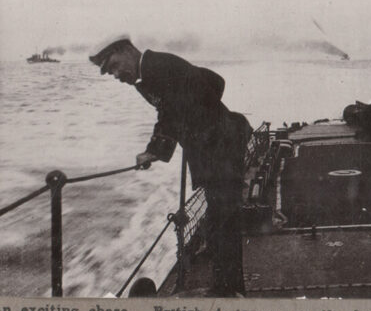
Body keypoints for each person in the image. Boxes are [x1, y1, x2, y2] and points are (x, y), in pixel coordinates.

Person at [89, 37, 251, 296]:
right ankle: (228, 289)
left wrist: (155, 150)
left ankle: (229, 293)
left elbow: (176, 108)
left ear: (126, 51)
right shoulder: (150, 74)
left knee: (224, 224)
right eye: (111, 72)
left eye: (115, 66)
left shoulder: (158, 67)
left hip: (222, 149)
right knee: (222, 222)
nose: (117, 75)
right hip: (216, 150)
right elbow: (209, 84)